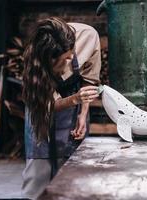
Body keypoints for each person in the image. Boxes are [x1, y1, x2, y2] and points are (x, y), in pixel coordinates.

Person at [21, 17, 101, 199]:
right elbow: (45, 106)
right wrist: (74, 99)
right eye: (66, 59)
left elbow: (89, 79)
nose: (71, 59)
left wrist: (83, 113)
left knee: (71, 168)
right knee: (37, 171)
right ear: (49, 58)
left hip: (74, 104)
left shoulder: (87, 36)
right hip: (42, 105)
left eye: (71, 54)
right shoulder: (35, 61)